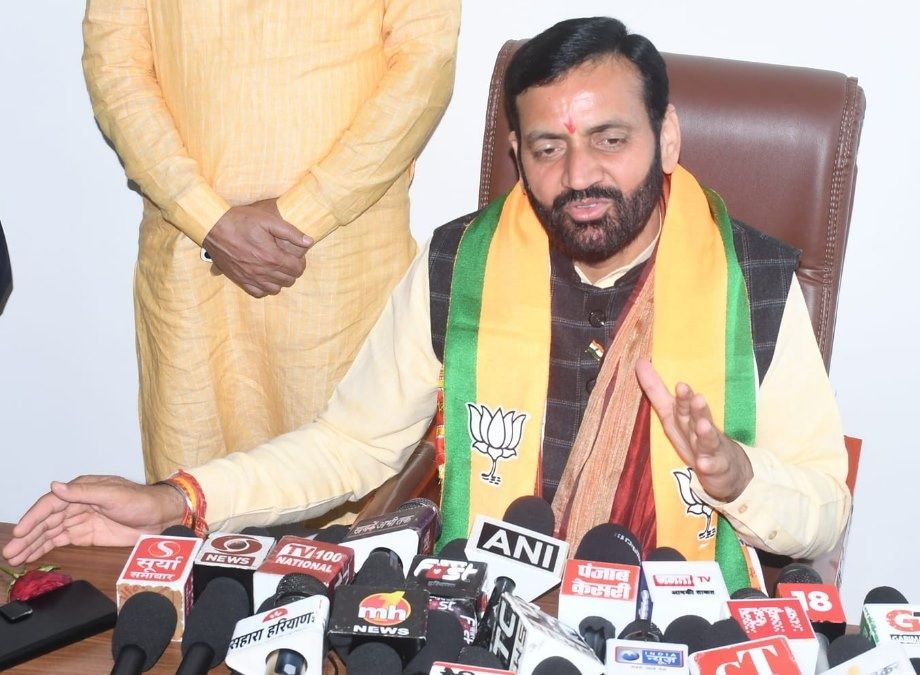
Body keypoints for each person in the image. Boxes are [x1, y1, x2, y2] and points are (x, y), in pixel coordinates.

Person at [5, 17, 849, 587]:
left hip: (679, 627)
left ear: (666, 139)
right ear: (516, 154)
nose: (579, 175)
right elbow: (351, 446)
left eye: (610, 139)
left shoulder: (756, 282)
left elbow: (822, 508)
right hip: (481, 618)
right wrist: (173, 500)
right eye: (547, 148)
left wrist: (737, 476)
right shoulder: (460, 265)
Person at [81, 1, 461, 484]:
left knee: (347, 486)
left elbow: (425, 64)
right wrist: (205, 217)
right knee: (191, 498)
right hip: (191, 268)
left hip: (341, 269)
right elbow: (114, 65)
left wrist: (302, 214)